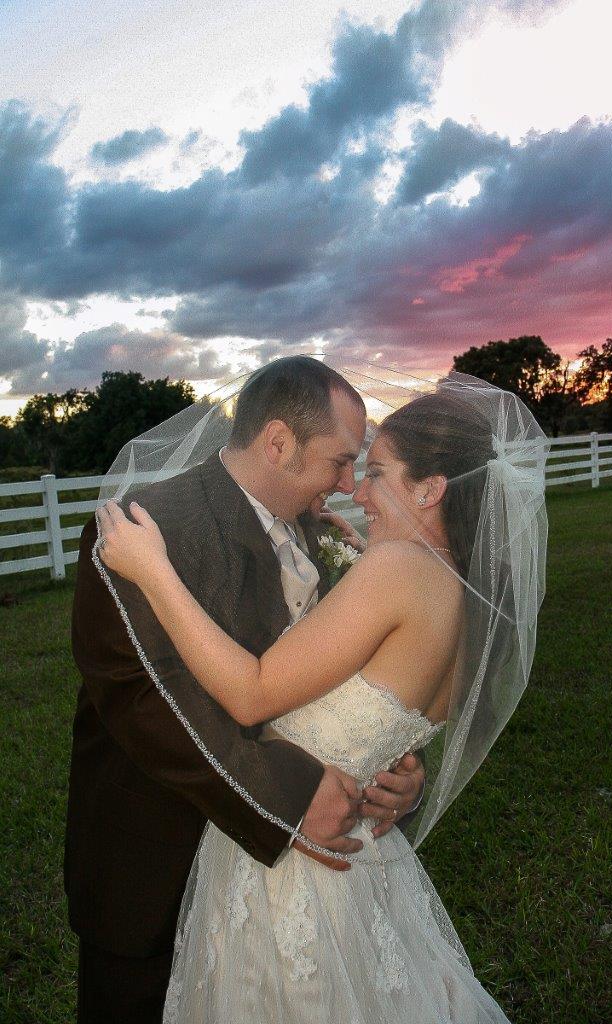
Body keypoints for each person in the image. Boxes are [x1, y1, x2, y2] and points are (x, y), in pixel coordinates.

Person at [97, 377, 548, 1023]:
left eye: (376, 473)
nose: (355, 491)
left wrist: (153, 572)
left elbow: (252, 695)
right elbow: (387, 717)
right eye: (350, 465)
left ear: (431, 488)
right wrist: (405, 778)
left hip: (293, 874)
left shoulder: (394, 571)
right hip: (361, 853)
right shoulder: (467, 597)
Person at [65, 357, 424, 1024]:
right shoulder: (142, 531)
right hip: (155, 869)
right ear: (279, 443)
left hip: (280, 898)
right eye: (341, 462)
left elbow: (342, 681)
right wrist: (287, 795)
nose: (349, 486)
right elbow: (140, 701)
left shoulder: (320, 534)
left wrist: (391, 763)